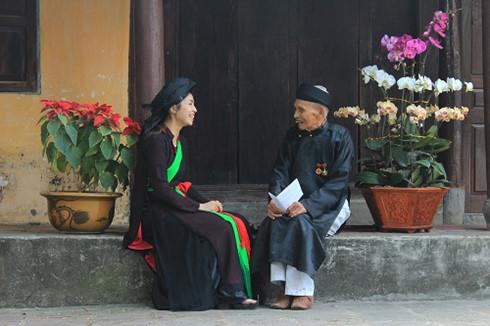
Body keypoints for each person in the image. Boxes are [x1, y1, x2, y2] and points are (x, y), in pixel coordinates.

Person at [123, 77, 256, 311]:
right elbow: (160, 188)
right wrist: (198, 208)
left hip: (175, 205)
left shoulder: (180, 141)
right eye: (190, 104)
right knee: (222, 227)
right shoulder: (155, 140)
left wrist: (208, 202)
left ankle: (234, 288)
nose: (195, 110)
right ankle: (231, 291)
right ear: (173, 108)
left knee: (237, 221)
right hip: (157, 212)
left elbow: (183, 183)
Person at [251, 83, 354, 310]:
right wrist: (275, 202)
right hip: (293, 204)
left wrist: (308, 205)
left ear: (318, 112)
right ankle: (285, 291)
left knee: (299, 224)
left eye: (301, 110)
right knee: (277, 222)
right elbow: (280, 171)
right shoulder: (292, 136)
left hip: (329, 205)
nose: (295, 115)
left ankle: (302, 292)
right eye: (296, 109)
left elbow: (339, 183)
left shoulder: (339, 137)